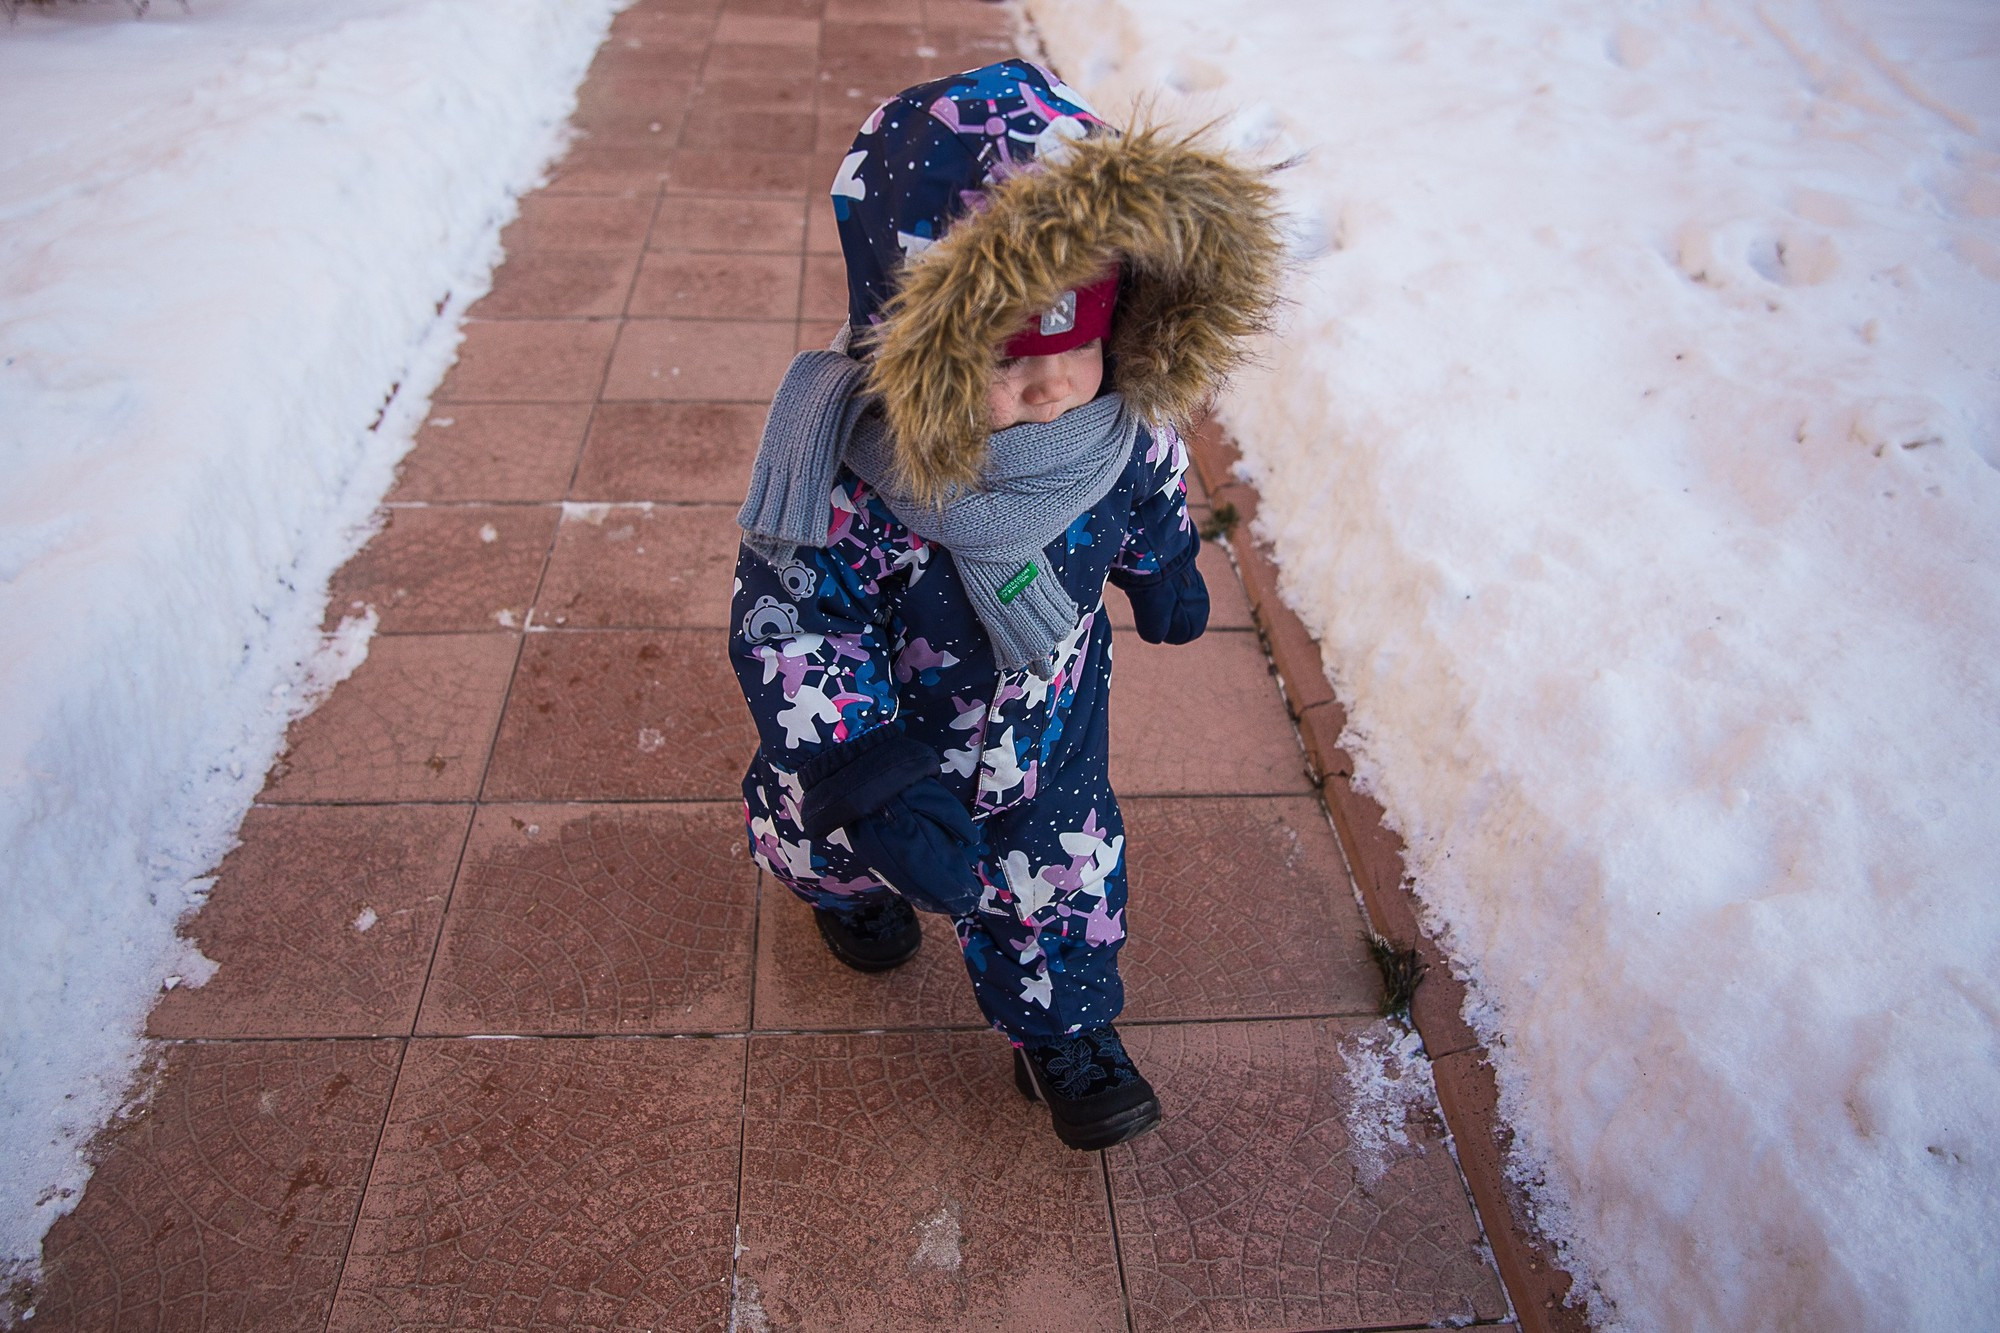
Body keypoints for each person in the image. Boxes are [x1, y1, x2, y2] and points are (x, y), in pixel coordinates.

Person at [729, 60, 1281, 1150]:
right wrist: (865, 778)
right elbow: (793, 625)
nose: (1043, 388)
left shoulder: (1114, 425)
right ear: (919, 345)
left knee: (1063, 870)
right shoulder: (849, 475)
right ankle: (848, 892)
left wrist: (1163, 560)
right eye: (1001, 360)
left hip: (1047, 724)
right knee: (833, 841)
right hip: (895, 734)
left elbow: (1150, 479)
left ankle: (1064, 1027)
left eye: (1069, 348)